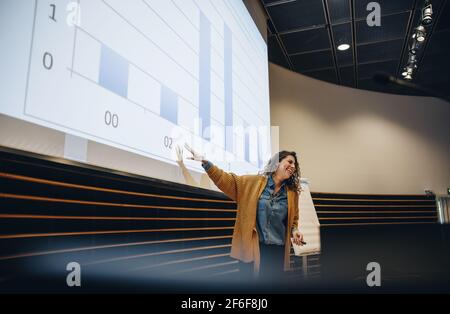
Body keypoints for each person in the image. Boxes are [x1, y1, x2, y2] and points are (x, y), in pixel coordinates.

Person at [183, 144, 305, 282]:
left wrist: (295, 231)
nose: (293, 166)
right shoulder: (252, 182)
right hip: (252, 248)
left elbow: (294, 220)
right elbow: (226, 180)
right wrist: (206, 163)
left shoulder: (292, 193)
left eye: (295, 164)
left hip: (277, 251)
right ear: (277, 163)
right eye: (290, 161)